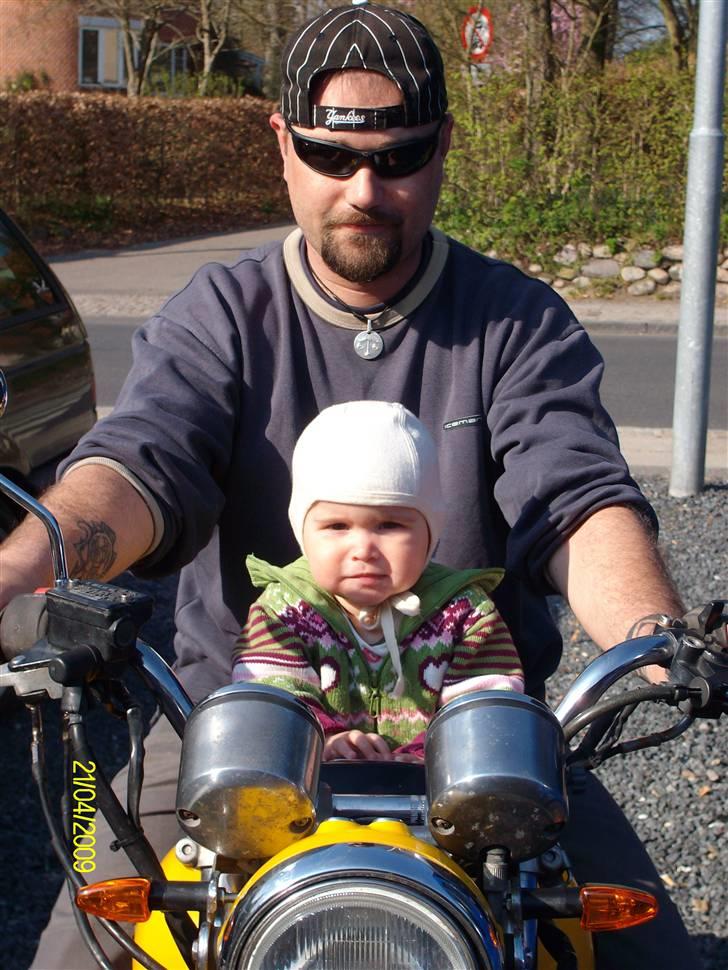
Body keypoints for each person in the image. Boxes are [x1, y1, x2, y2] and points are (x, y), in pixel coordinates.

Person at [0, 3, 696, 968]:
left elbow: (573, 494)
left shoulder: (514, 323)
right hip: (237, 728)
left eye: (400, 157)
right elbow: (138, 461)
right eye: (331, 157)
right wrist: (19, 576)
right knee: (85, 944)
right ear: (281, 144)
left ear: (444, 147)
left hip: (480, 741)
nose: (365, 189)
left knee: (646, 947)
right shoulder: (222, 317)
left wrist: (658, 639)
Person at [232, 400, 524, 762]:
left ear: (430, 533)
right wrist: (323, 740)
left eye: (390, 525)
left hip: (437, 797)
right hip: (312, 793)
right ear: (303, 532)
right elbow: (268, 697)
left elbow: (487, 707)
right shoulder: (284, 610)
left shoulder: (465, 614)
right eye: (337, 526)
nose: (364, 549)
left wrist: (430, 753)